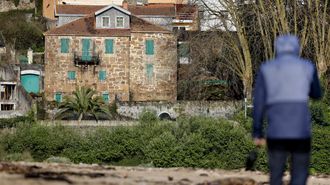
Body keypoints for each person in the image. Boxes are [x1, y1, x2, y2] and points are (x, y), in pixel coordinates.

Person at [252, 34, 322, 185]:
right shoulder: (308, 66)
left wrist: (257, 132)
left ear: (277, 49)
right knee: (300, 174)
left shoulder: (266, 68)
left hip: (276, 131)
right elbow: (317, 94)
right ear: (297, 48)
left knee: (276, 174)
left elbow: (258, 103)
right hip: (301, 131)